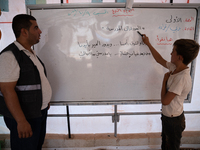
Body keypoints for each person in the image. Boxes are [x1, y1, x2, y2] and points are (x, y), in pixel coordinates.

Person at [0, 14, 52, 150]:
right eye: (36, 28)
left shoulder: (29, 53)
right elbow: (7, 91)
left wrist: (44, 100)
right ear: (24, 31)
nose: (40, 31)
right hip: (25, 117)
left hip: (38, 112)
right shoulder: (9, 56)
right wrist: (21, 121)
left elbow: (35, 81)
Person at [142, 34, 199, 150]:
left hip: (174, 121)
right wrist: (148, 43)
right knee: (165, 145)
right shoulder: (175, 68)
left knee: (171, 147)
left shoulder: (181, 78)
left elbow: (165, 101)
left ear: (180, 57)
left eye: (173, 51)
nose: (170, 53)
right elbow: (159, 59)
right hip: (168, 117)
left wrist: (164, 81)